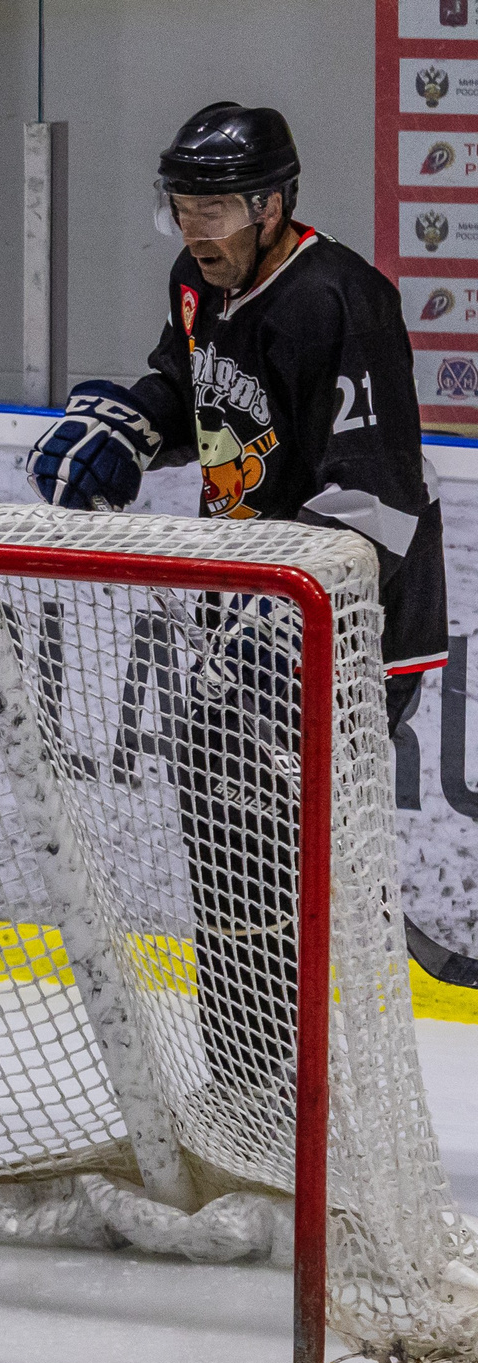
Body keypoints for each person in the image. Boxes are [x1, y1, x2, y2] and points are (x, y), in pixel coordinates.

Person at [28, 102, 447, 1095]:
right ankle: (252, 1081)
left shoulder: (343, 301)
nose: (194, 229)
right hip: (251, 610)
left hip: (351, 627)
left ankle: (277, 1089)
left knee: (251, 832)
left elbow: (374, 495)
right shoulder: (196, 283)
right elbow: (190, 394)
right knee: (221, 832)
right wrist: (132, 421)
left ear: (271, 203)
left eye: (214, 209)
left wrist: (287, 607)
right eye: (182, 206)